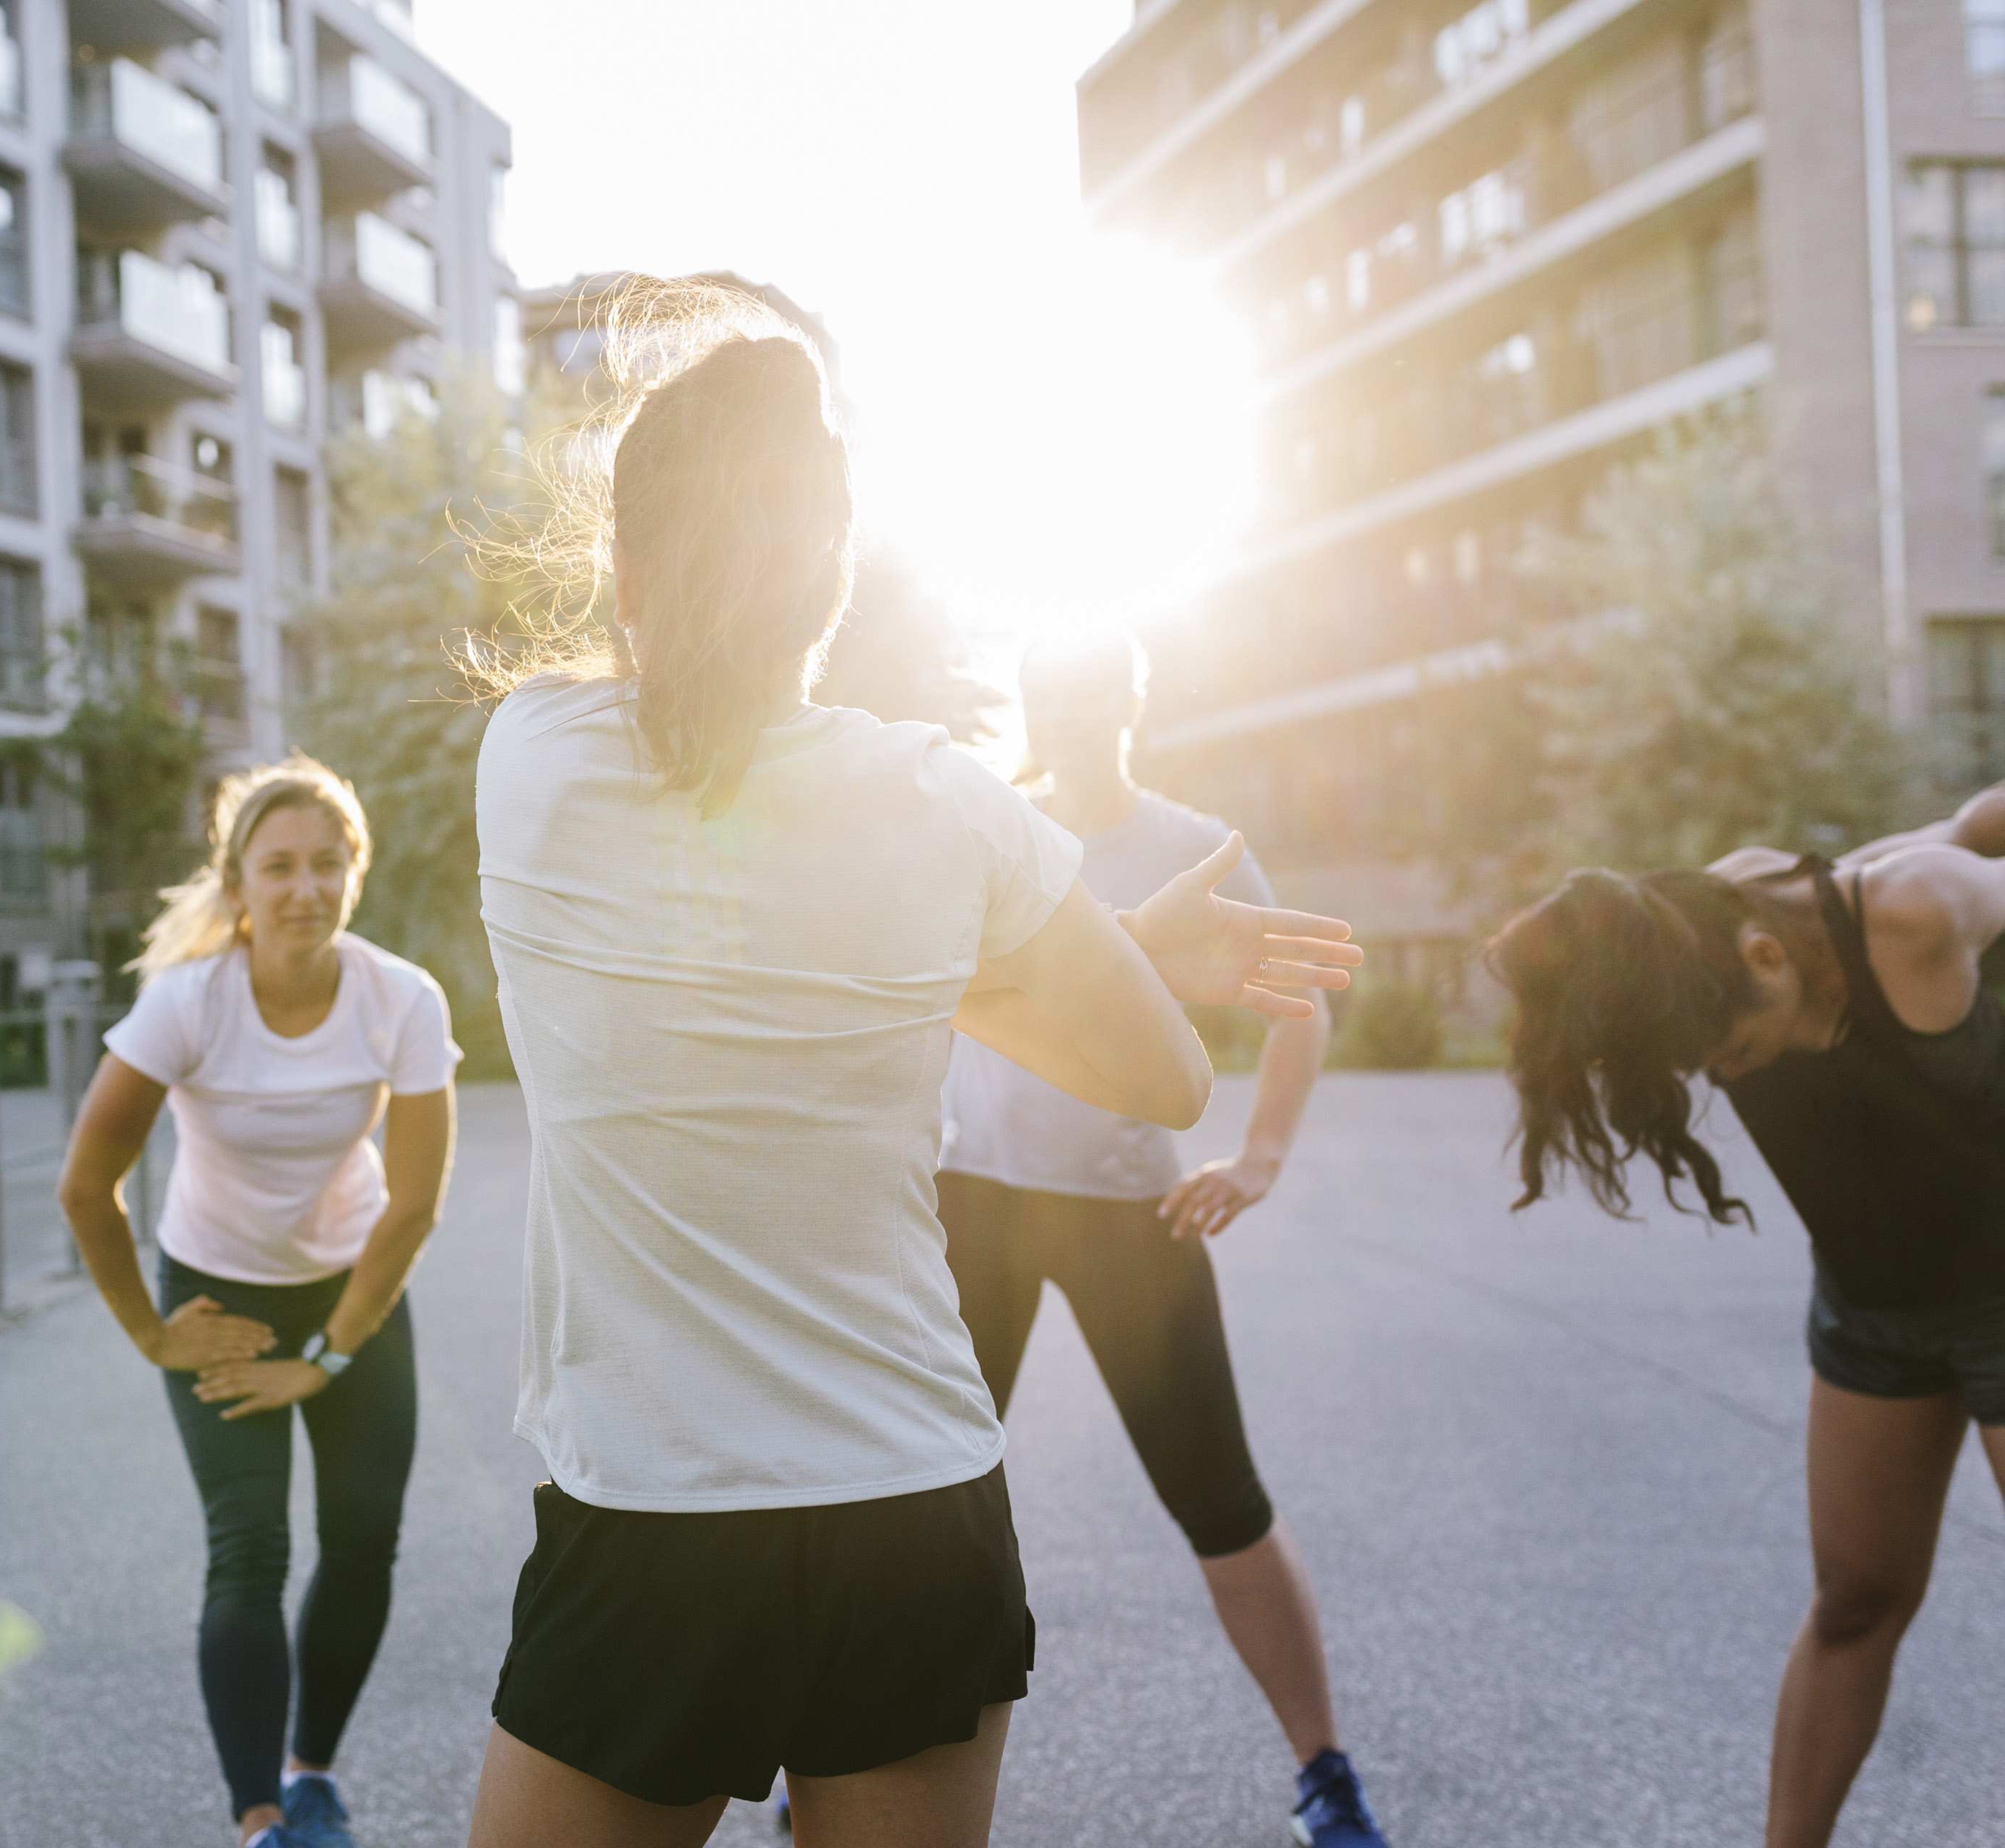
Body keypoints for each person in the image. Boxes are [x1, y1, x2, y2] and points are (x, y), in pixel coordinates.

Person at [460, 279, 1362, 1848]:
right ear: (834, 578)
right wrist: (1112, 951)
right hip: (911, 1504)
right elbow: (1163, 1081)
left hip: (655, 1515)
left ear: (627, 569)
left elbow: (757, 958)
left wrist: (1027, 959)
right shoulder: (947, 807)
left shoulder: (533, 762)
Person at [1487, 777, 2005, 1848]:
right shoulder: (1696, 933)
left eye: (1731, 1054)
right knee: (1856, 1599)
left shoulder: (1911, 914)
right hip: (1871, 1304)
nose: (1727, 1076)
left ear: (1772, 961)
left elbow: (1967, 836)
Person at [935, 628, 1389, 1848]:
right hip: (970, 1197)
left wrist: (1262, 1157)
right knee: (908, 1499)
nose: (1070, 710)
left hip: (1126, 1211)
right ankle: (825, 1744)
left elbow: (1302, 1000)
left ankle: (1326, 1777)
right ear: (1028, 699)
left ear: (1132, 702)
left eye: (1093, 691)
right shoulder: (991, 822)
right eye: (1051, 689)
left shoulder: (1196, 848)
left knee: (1220, 1498)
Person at [58, 756, 459, 1848]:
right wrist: (153, 1335)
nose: (304, 889)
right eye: (278, 867)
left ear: (354, 877)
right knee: (249, 1547)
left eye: (327, 865)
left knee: (365, 1537)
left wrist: (326, 1355)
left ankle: (312, 1770)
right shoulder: (187, 1003)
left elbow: (416, 1203)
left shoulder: (401, 999)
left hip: (353, 1288)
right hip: (217, 1295)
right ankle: (262, 1823)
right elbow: (87, 1186)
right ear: (238, 886)